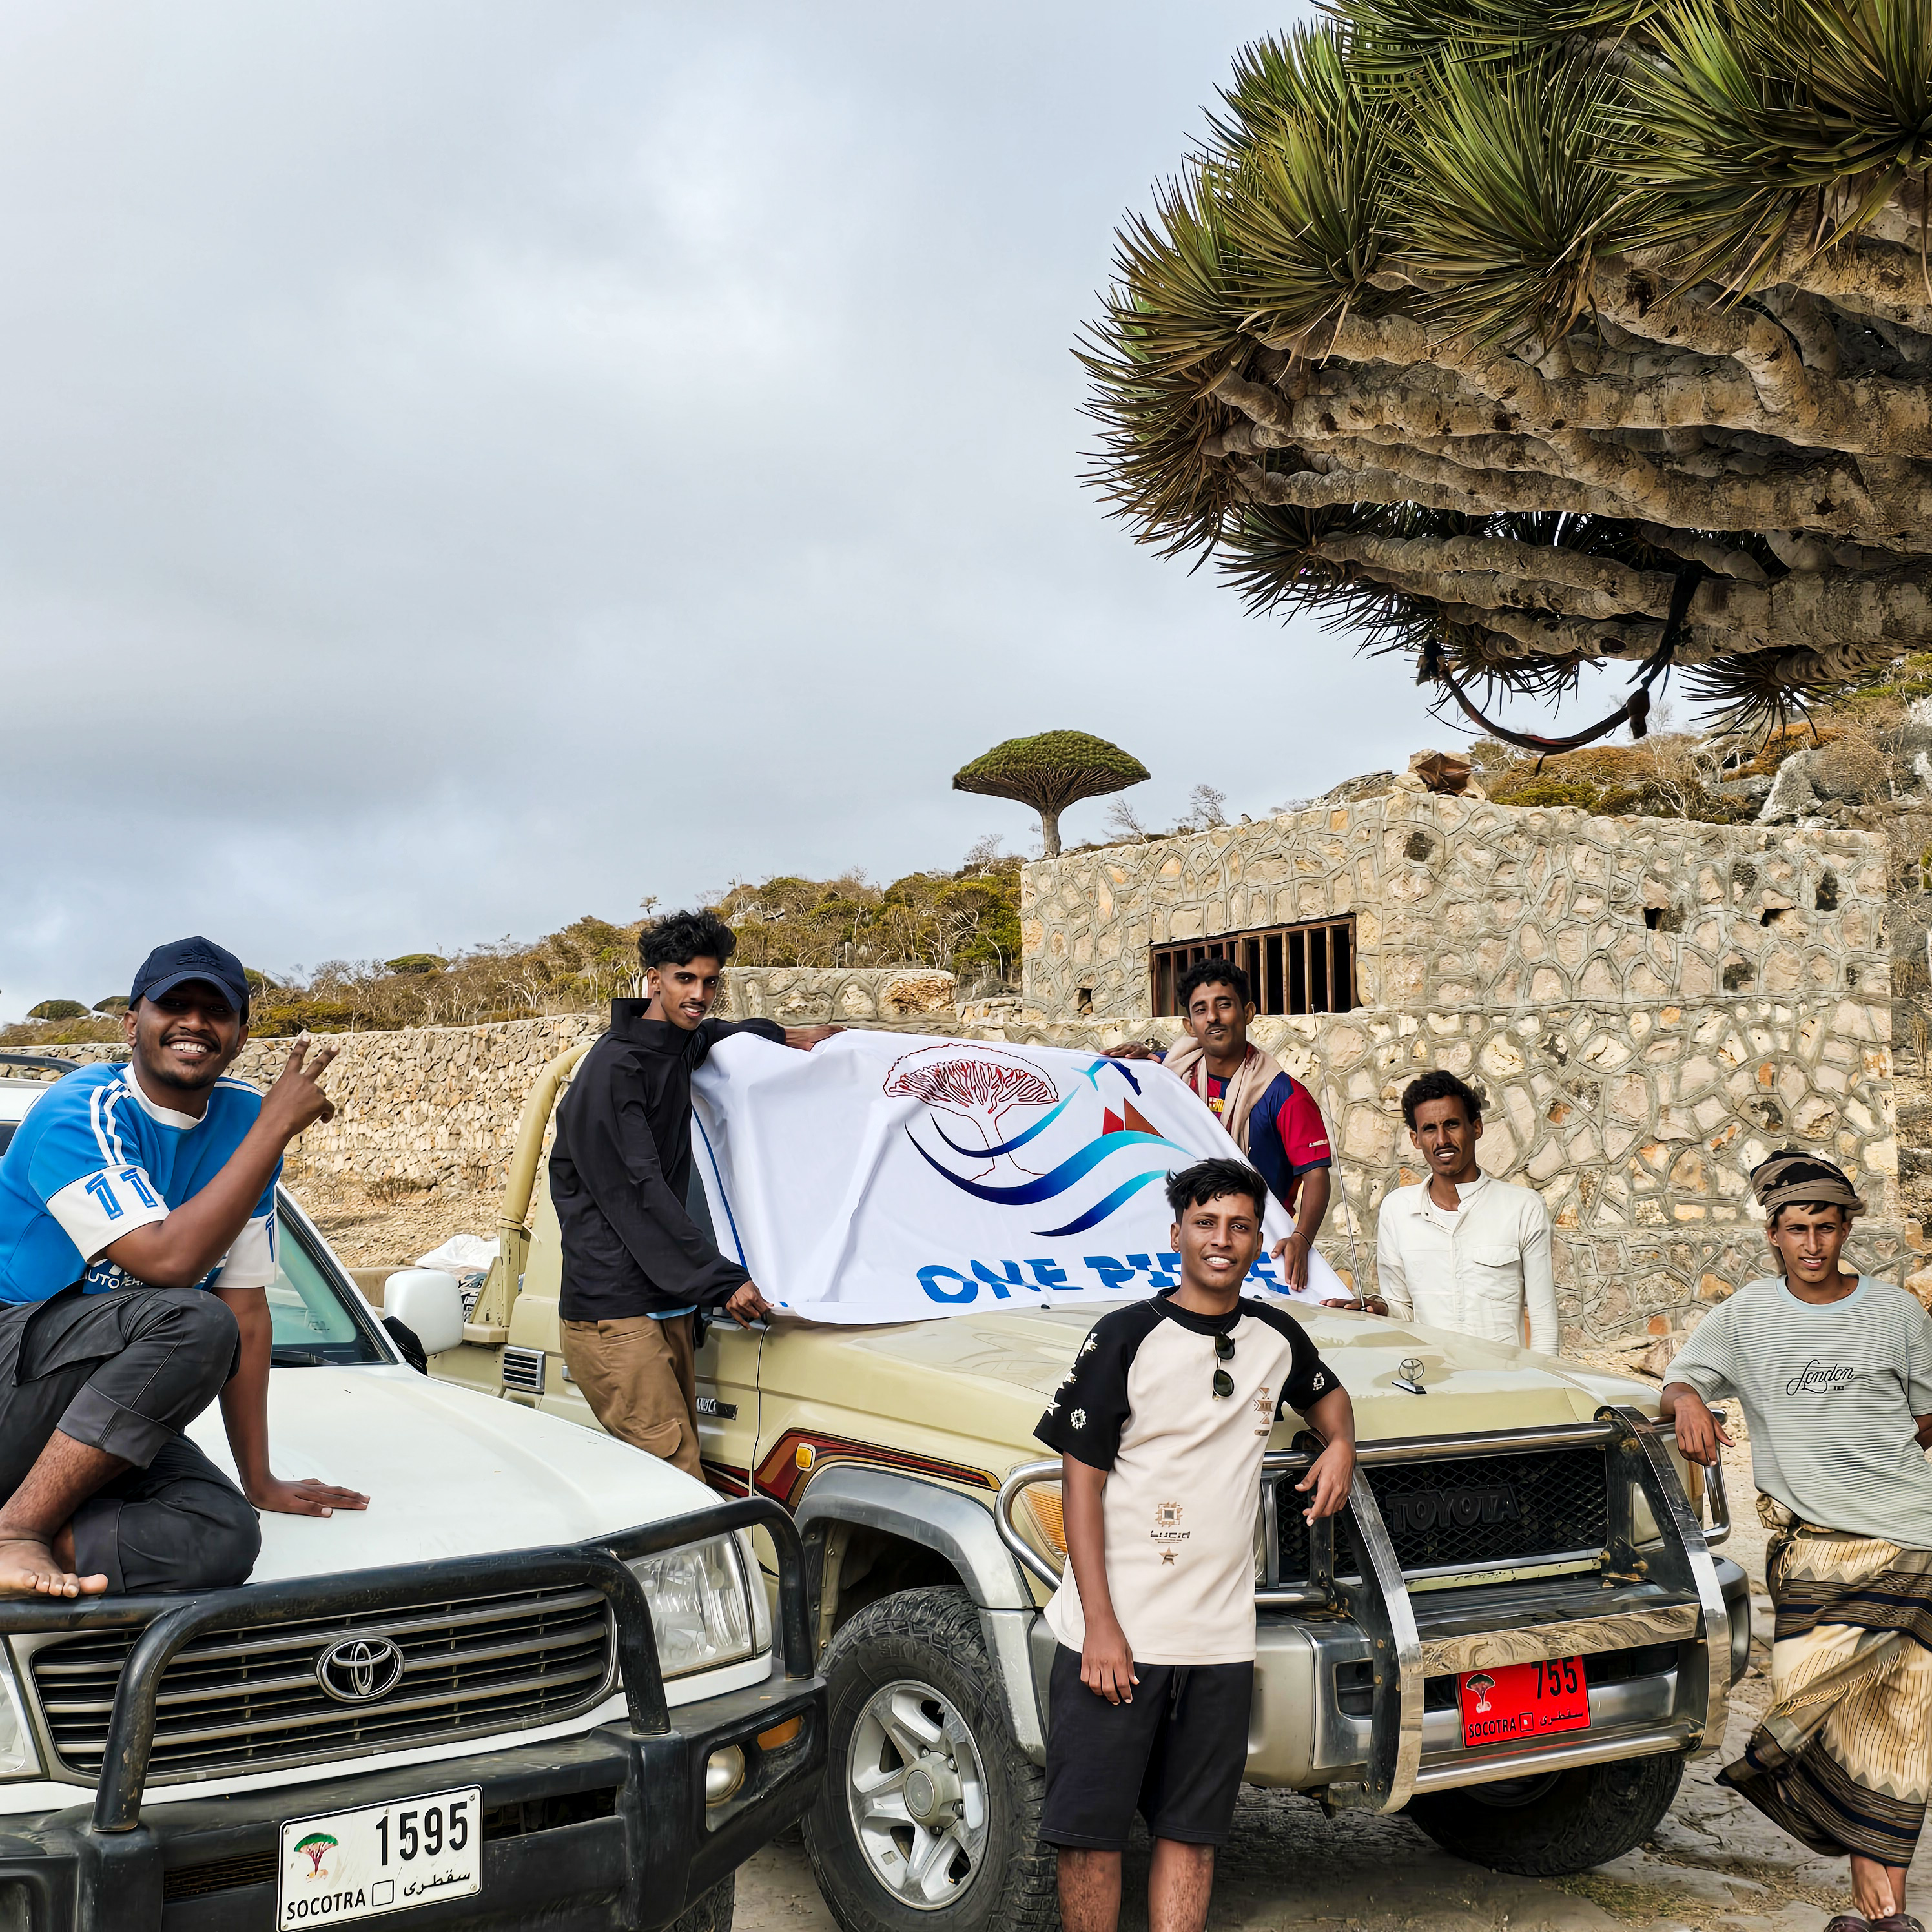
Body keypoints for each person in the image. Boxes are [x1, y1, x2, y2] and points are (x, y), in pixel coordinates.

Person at [1034, 1156, 1355, 1932]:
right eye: (1206, 1223)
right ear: (1176, 1233)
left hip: (1217, 1638)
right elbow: (1080, 1483)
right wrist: (1102, 1627)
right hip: (1117, 1636)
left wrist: (1340, 1444)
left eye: (1240, 1226)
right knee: (1091, 1831)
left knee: (1194, 1829)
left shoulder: (1275, 1335)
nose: (1223, 1239)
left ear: (1258, 1239)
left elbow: (1327, 1396)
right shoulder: (1125, 1336)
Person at [0, 936, 368, 1599]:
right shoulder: (84, 1108)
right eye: (174, 1003)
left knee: (223, 1534)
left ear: (239, 1035)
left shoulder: (245, 1121)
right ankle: (16, 1531)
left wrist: (259, 1480)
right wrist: (273, 1129)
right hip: (13, 1373)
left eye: (215, 1010)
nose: (195, 1022)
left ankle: (30, 1527)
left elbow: (247, 1310)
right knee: (191, 1319)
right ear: (130, 1023)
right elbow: (169, 1263)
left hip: (83, 1429)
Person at [1661, 1151, 1932, 1932]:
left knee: (1898, 1725)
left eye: (1825, 1227)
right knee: (1815, 1709)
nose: (1812, 1244)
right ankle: (1874, 1907)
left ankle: (1878, 1914)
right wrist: (1687, 1404)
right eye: (1796, 1230)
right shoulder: (1745, 1316)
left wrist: (1866, 1456)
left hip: (1909, 1544)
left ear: (1847, 1228)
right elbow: (1681, 1380)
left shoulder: (1896, 1315)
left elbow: (1926, 1414)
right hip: (1810, 1555)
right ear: (1773, 1236)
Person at [551, 909, 838, 1481]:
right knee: (674, 1481)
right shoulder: (614, 1070)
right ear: (653, 978)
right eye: (685, 979)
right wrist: (723, 1279)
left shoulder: (676, 1042)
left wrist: (782, 1036)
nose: (699, 995)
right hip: (615, 1313)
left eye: (710, 982)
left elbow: (718, 1032)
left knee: (686, 1472)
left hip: (668, 1304)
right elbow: (639, 1193)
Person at [1108, 960, 1335, 1291]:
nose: (1212, 1017)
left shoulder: (1283, 1094)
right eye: (1201, 1009)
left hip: (1255, 1248)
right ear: (1189, 1025)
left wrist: (1300, 1237)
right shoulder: (1170, 1075)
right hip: (1182, 1245)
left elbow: (1316, 1176)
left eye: (1224, 1005)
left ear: (1249, 1012)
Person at [1372, 1069, 1556, 1351]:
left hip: (1504, 1383)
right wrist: (1379, 1309)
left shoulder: (1523, 1208)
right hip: (1431, 1382)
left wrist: (1547, 1388)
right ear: (1415, 1139)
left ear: (1477, 1128)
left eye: (1452, 1124)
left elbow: (1543, 1318)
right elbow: (1404, 1312)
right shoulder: (1397, 1210)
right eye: (1430, 1129)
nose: (1442, 1140)